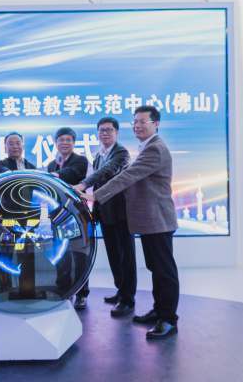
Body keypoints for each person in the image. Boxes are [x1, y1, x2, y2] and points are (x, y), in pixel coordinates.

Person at [80, 106, 179, 340]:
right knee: (156, 268)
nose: (137, 126)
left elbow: (128, 176)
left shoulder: (155, 148)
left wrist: (95, 195)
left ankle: (168, 319)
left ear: (156, 124)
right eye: (135, 122)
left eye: (142, 122)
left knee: (164, 270)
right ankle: (159, 310)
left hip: (158, 219)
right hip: (149, 220)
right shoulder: (146, 147)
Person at [74, 117, 136, 317]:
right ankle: (120, 291)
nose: (105, 133)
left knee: (126, 257)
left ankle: (128, 299)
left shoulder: (121, 153)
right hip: (105, 213)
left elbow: (106, 172)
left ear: (116, 132)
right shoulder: (99, 155)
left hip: (121, 213)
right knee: (114, 256)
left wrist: (83, 185)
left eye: (109, 130)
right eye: (101, 130)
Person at [47, 127, 90, 309]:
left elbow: (72, 173)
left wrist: (54, 176)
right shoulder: (51, 164)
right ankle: (63, 289)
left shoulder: (81, 160)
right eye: (61, 140)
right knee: (61, 254)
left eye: (68, 140)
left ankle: (81, 293)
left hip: (77, 214)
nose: (64, 143)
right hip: (57, 215)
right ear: (56, 143)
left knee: (80, 254)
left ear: (73, 143)